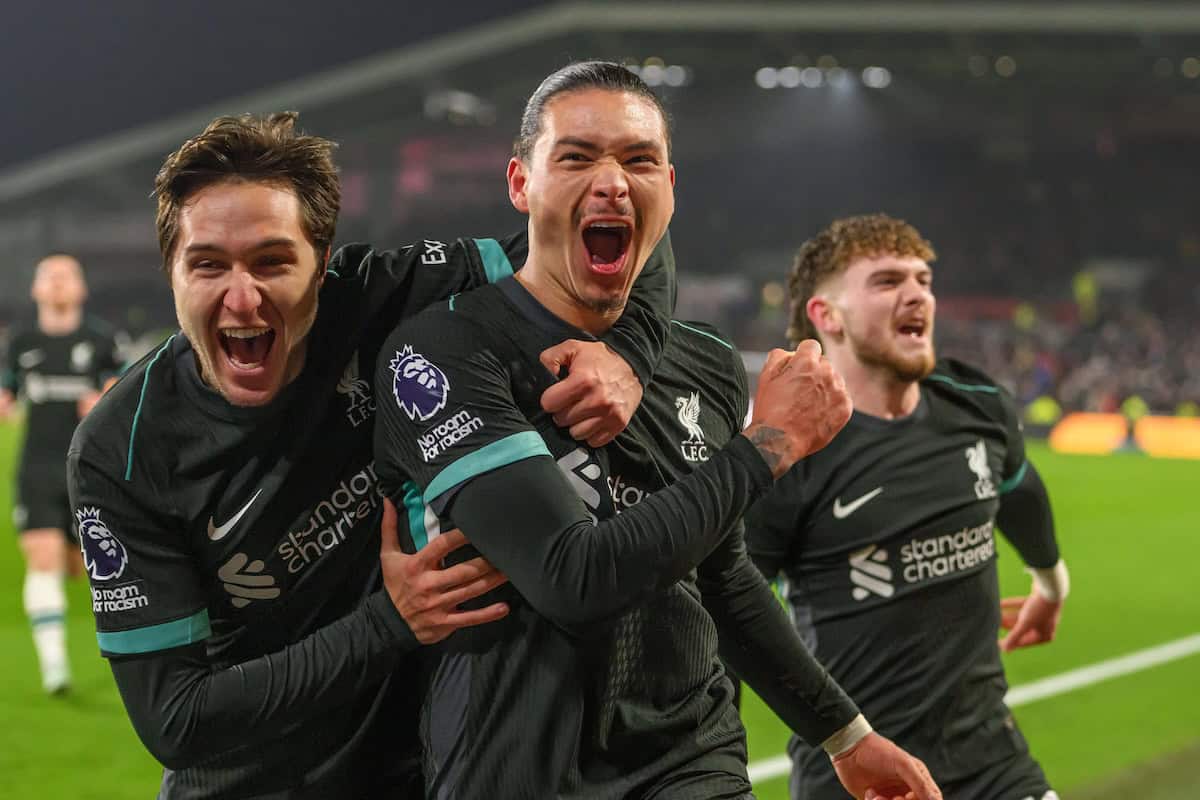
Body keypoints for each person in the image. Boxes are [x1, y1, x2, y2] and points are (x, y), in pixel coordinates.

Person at [66, 112, 678, 799]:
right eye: (207, 264)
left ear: (324, 265)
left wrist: (627, 356)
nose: (242, 298)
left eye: (273, 261)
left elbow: (619, 248)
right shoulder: (123, 448)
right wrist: (389, 622)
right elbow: (176, 720)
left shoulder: (375, 298)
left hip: (422, 769)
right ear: (171, 272)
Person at [373, 62, 939, 800]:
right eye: (576, 157)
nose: (612, 181)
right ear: (521, 184)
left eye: (639, 161)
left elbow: (722, 574)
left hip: (691, 764)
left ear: (669, 189)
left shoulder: (701, 361)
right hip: (514, 771)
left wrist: (844, 732)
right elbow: (571, 578)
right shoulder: (442, 354)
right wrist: (769, 444)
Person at [745, 213, 1067, 800]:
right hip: (863, 781)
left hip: (995, 764)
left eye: (923, 279)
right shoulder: (785, 454)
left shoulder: (974, 403)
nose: (918, 293)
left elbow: (1021, 490)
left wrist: (1051, 585)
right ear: (826, 316)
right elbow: (726, 606)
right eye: (888, 281)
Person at [1, 253, 121, 695]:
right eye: (47, 276)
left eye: (65, 275)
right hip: (35, 467)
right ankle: (55, 669)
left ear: (80, 288)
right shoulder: (21, 341)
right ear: (34, 289)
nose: (56, 282)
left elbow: (128, 392)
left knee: (79, 568)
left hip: (88, 473)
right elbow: (8, 391)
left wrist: (107, 400)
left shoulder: (102, 341)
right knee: (43, 558)